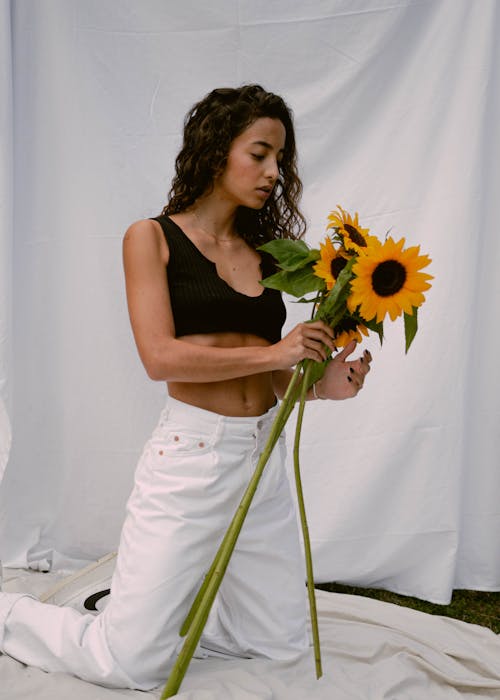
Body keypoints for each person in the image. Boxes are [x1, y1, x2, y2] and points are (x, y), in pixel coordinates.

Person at [0, 84, 372, 690]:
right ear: (217, 149)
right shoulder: (151, 238)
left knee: (279, 646)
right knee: (130, 664)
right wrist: (279, 349)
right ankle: (13, 614)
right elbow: (159, 357)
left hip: (262, 457)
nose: (273, 172)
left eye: (281, 160)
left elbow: (272, 376)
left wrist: (325, 385)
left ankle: (163, 606)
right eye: (260, 154)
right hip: (193, 458)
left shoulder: (266, 254)